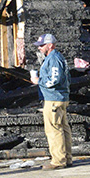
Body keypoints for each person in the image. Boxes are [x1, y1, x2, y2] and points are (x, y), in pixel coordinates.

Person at [30, 33, 72, 170]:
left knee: (54, 130)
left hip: (53, 99)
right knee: (63, 128)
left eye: (42, 45)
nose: (40, 48)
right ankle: (67, 158)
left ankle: (58, 161)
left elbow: (54, 79)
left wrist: (38, 81)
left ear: (50, 45)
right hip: (60, 98)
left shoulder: (53, 59)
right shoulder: (57, 57)